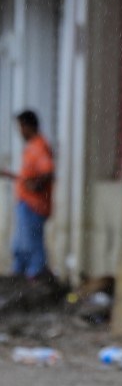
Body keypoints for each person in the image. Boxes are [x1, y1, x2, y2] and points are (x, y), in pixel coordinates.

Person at [1, 110, 55, 279]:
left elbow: (48, 172)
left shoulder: (38, 146)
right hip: (27, 203)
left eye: (21, 127)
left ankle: (35, 277)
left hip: (34, 205)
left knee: (30, 245)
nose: (20, 131)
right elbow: (27, 178)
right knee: (20, 245)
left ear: (28, 126)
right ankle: (20, 279)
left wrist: (36, 186)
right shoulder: (32, 146)